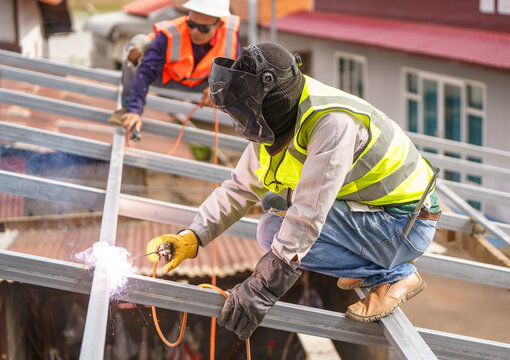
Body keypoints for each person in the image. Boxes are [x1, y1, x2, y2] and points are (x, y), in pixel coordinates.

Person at [146, 43, 441, 340]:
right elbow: (239, 187)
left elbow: (308, 214)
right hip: (376, 214)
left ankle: (394, 276)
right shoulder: (277, 118)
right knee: (275, 214)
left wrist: (262, 287)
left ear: (270, 99)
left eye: (245, 111)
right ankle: (372, 263)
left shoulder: (332, 124)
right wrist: (192, 236)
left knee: (274, 231)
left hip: (405, 225)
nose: (241, 122)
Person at [109, 0, 241, 138]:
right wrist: (134, 110)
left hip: (201, 84)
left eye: (203, 28)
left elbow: (233, 70)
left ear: (219, 24)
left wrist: (217, 87)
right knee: (138, 43)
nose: (195, 31)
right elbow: (146, 71)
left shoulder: (229, 34)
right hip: (167, 79)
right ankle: (126, 107)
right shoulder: (171, 33)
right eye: (191, 24)